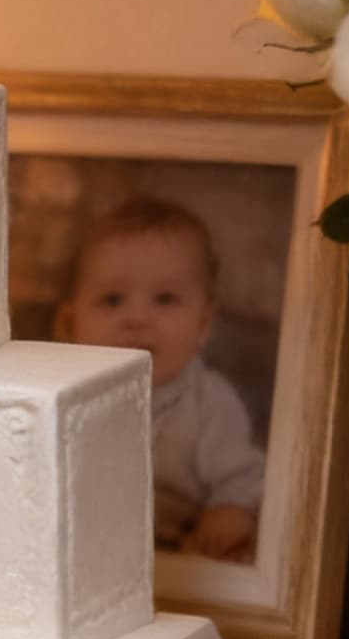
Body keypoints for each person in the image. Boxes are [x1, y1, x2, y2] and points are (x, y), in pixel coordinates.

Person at [54, 200, 267, 561]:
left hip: (181, 548)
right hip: (88, 551)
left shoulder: (209, 401)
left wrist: (230, 508)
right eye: (112, 300)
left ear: (204, 324)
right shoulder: (60, 393)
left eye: (165, 299)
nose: (137, 317)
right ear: (71, 324)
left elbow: (243, 474)